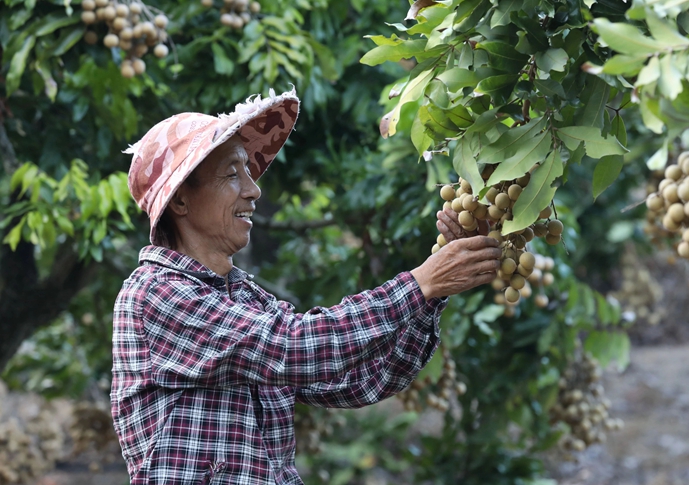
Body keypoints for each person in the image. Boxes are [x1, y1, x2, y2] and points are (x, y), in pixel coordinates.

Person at [111, 90, 500, 484]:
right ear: (180, 201)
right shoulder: (155, 293)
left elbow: (363, 380)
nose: (253, 189)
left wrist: (435, 292)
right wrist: (421, 282)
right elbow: (292, 347)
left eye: (247, 170)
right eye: (232, 174)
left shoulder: (248, 300)